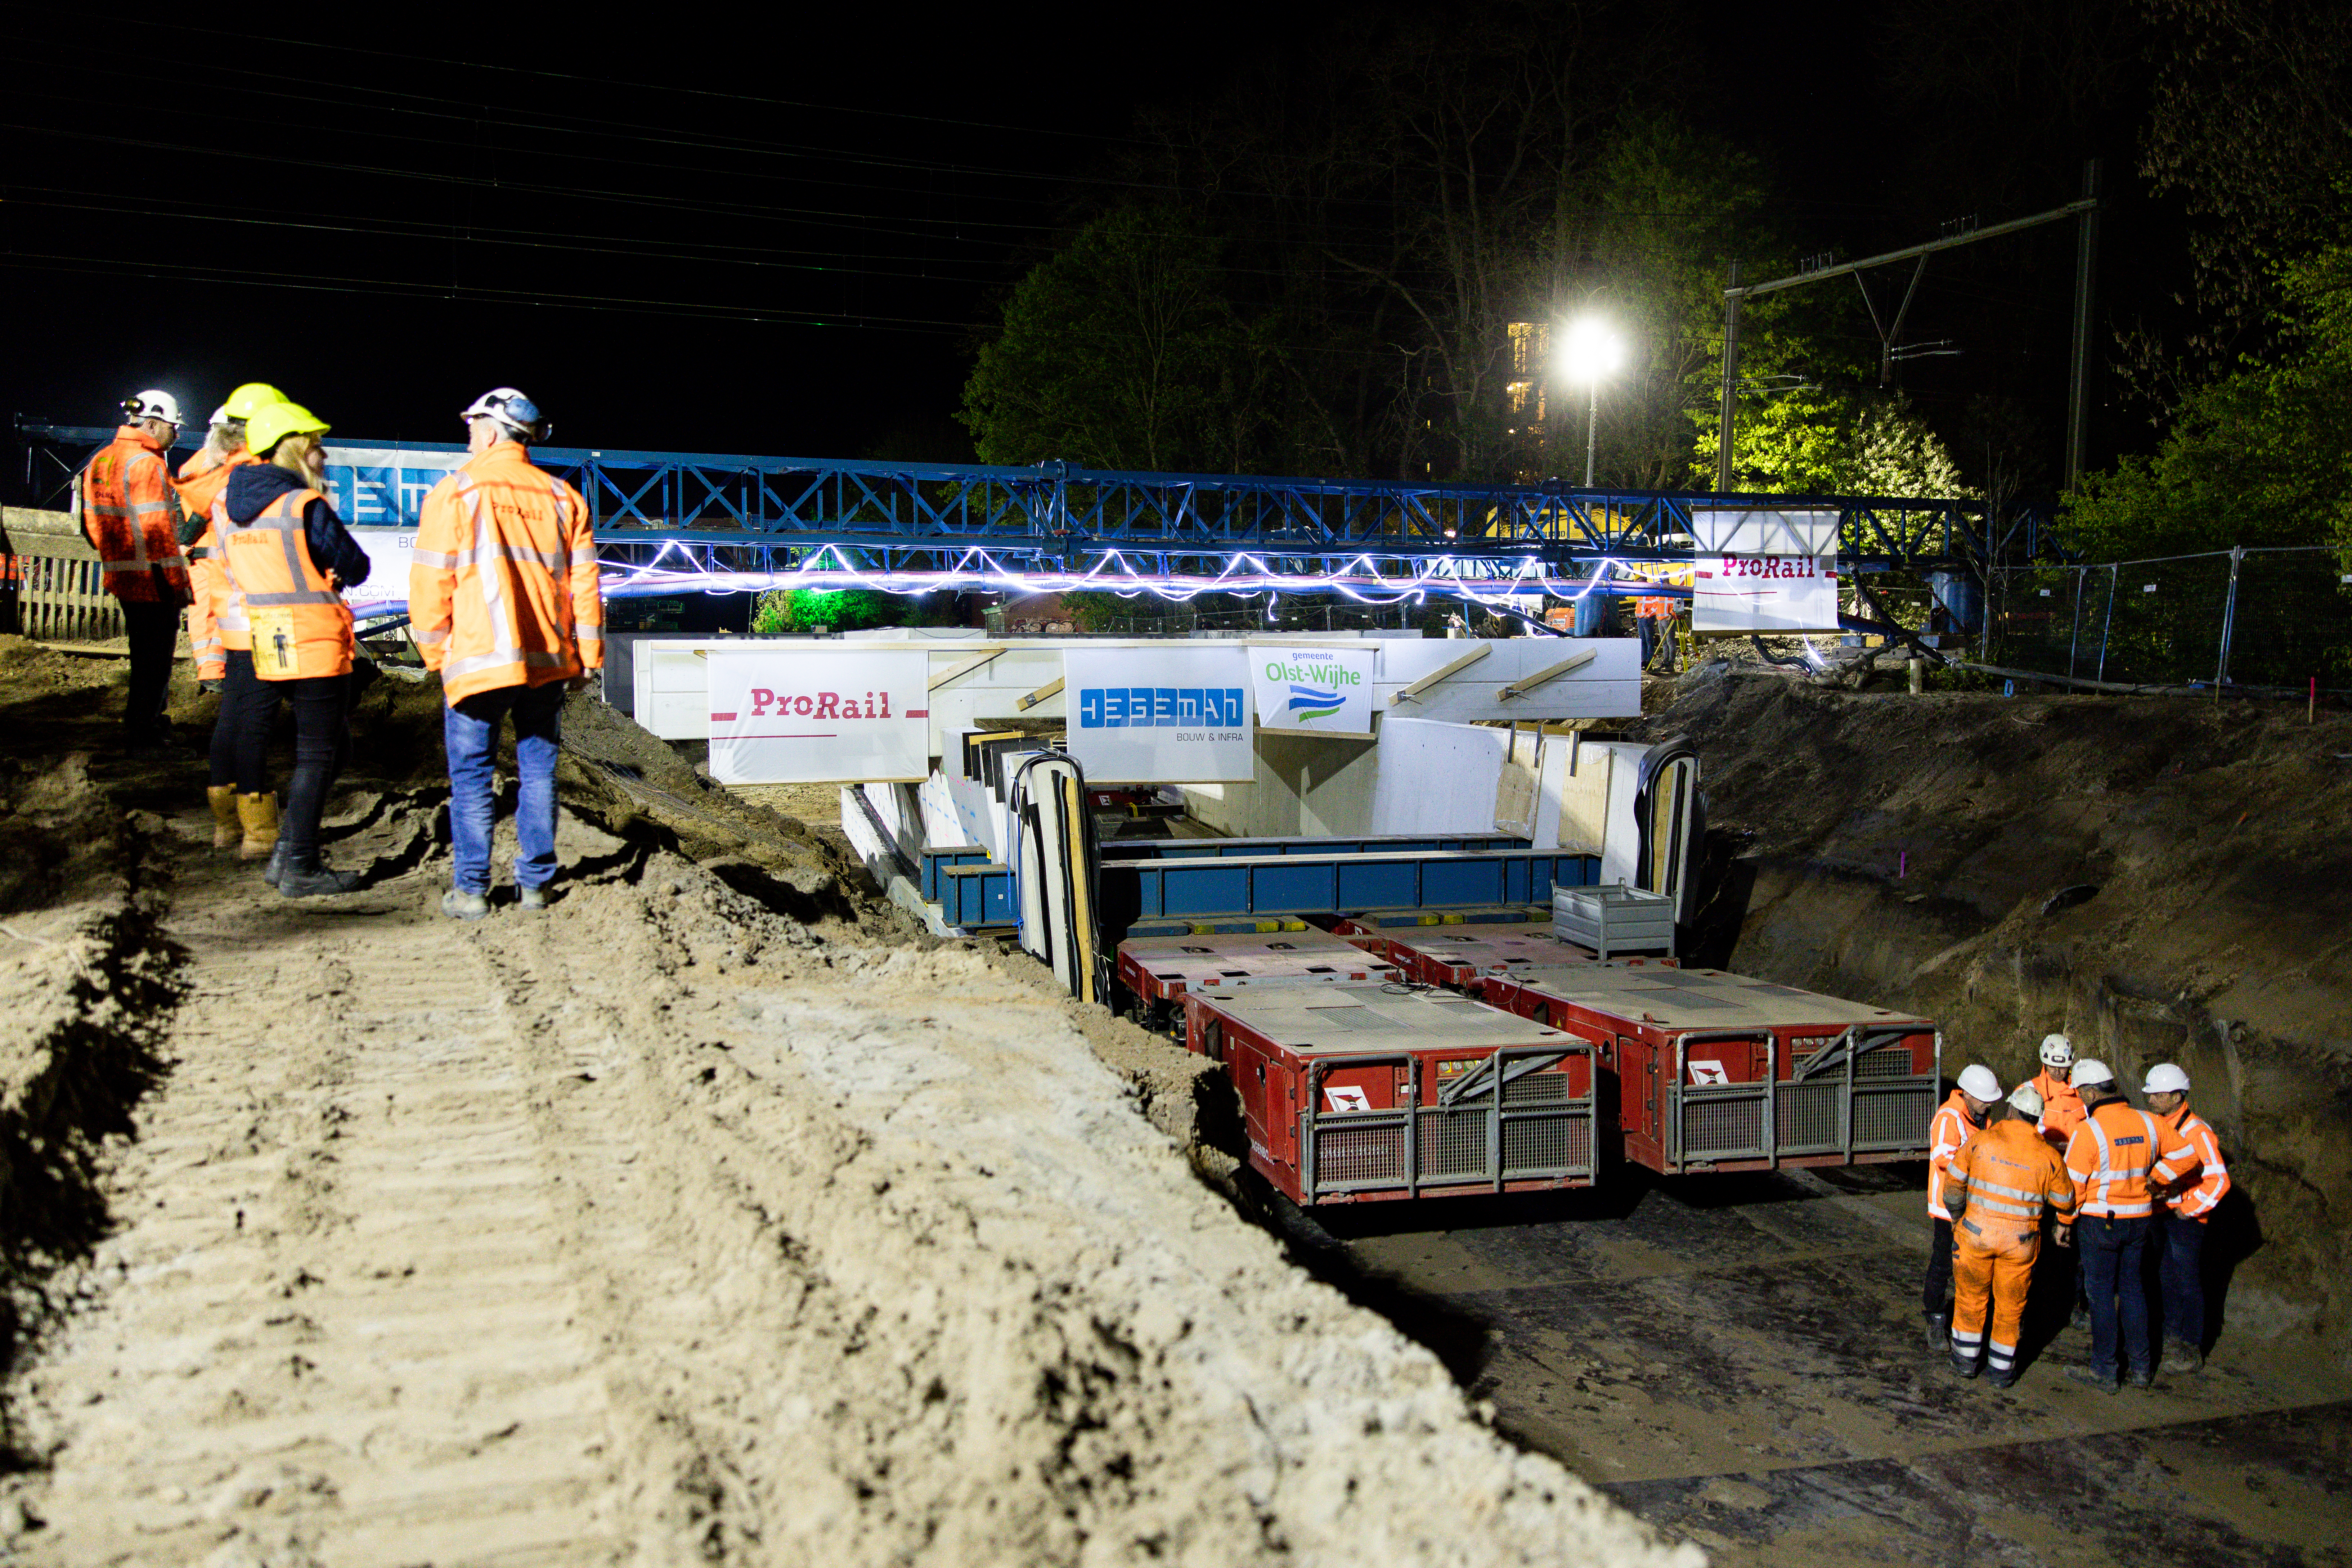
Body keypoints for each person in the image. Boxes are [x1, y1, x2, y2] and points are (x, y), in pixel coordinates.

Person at [410, 388, 603, 919]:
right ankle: (536, 887)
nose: (468, 438)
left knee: (472, 777)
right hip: (547, 661)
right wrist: (588, 656)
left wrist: (434, 652)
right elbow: (585, 585)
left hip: (477, 660)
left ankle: (472, 892)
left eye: (472, 428)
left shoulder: (457, 489)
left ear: (491, 431)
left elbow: (430, 581)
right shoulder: (564, 498)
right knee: (538, 772)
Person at [216, 400, 372, 897]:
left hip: (269, 634)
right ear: (298, 448)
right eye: (317, 445)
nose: (323, 454)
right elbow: (356, 564)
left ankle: (287, 850)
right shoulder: (303, 504)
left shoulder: (235, 507)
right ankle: (299, 860)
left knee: (325, 750)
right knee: (321, 754)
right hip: (314, 637)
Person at [178, 383, 285, 853]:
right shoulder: (256, 478)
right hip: (264, 605)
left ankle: (228, 825)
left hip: (227, 601)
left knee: (235, 716)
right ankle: (260, 833)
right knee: (261, 721)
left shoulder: (203, 472)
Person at [2061, 1059, 2198, 1392]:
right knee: (2134, 1291)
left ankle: (2105, 1370)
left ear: (2091, 1092)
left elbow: (2072, 1186)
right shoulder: (2149, 1122)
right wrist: (2157, 1177)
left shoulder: (2089, 1131)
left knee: (2101, 1295)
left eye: (2080, 1093)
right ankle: (2141, 1369)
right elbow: (2189, 1155)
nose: (2080, 1098)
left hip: (2100, 1222)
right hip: (2139, 1221)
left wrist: (2064, 1221)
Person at [1945, 1083, 2078, 1388]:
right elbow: (2065, 1200)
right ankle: (2001, 1371)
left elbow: (1953, 1186)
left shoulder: (1981, 1141)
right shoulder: (2048, 1156)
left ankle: (1965, 1362)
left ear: (2012, 1110)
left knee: (1970, 1298)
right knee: (2010, 1306)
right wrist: (2063, 1222)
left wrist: (1956, 1218)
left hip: (1976, 1236)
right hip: (2021, 1243)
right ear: (2037, 1118)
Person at [80, 391, 190, 745]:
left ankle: (142, 722)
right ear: (153, 424)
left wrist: (115, 558)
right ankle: (146, 731)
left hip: (123, 574)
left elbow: (91, 522)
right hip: (153, 577)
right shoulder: (147, 463)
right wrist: (177, 581)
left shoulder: (101, 460)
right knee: (155, 659)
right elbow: (159, 530)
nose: (176, 434)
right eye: (173, 426)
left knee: (142, 654)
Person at [2143, 1062, 2230, 1373]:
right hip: (2162, 1214)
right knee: (2167, 1277)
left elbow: (2219, 1180)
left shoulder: (2198, 1132)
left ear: (2177, 1096)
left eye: (2158, 1095)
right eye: (2151, 1094)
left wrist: (2189, 1208)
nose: (2151, 1099)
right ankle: (2172, 1336)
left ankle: (2191, 1347)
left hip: (2186, 1221)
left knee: (2187, 1280)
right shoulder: (2157, 1124)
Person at [1924, 1062, 2003, 1351]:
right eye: (1984, 1100)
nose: (1988, 1105)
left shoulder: (1981, 1118)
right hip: (1948, 1207)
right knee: (1943, 1263)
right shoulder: (1949, 1117)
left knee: (1973, 1265)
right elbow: (1943, 1156)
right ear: (1967, 1094)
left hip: (1973, 1205)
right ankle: (1935, 1317)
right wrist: (1981, 1164)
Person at [2028, 1033, 2087, 1151]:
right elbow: (2019, 1134)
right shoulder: (2030, 1091)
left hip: (2079, 1156)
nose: (2058, 1072)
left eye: (2063, 1068)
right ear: (2044, 1063)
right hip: (2044, 1156)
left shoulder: (2083, 1090)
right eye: (2052, 1067)